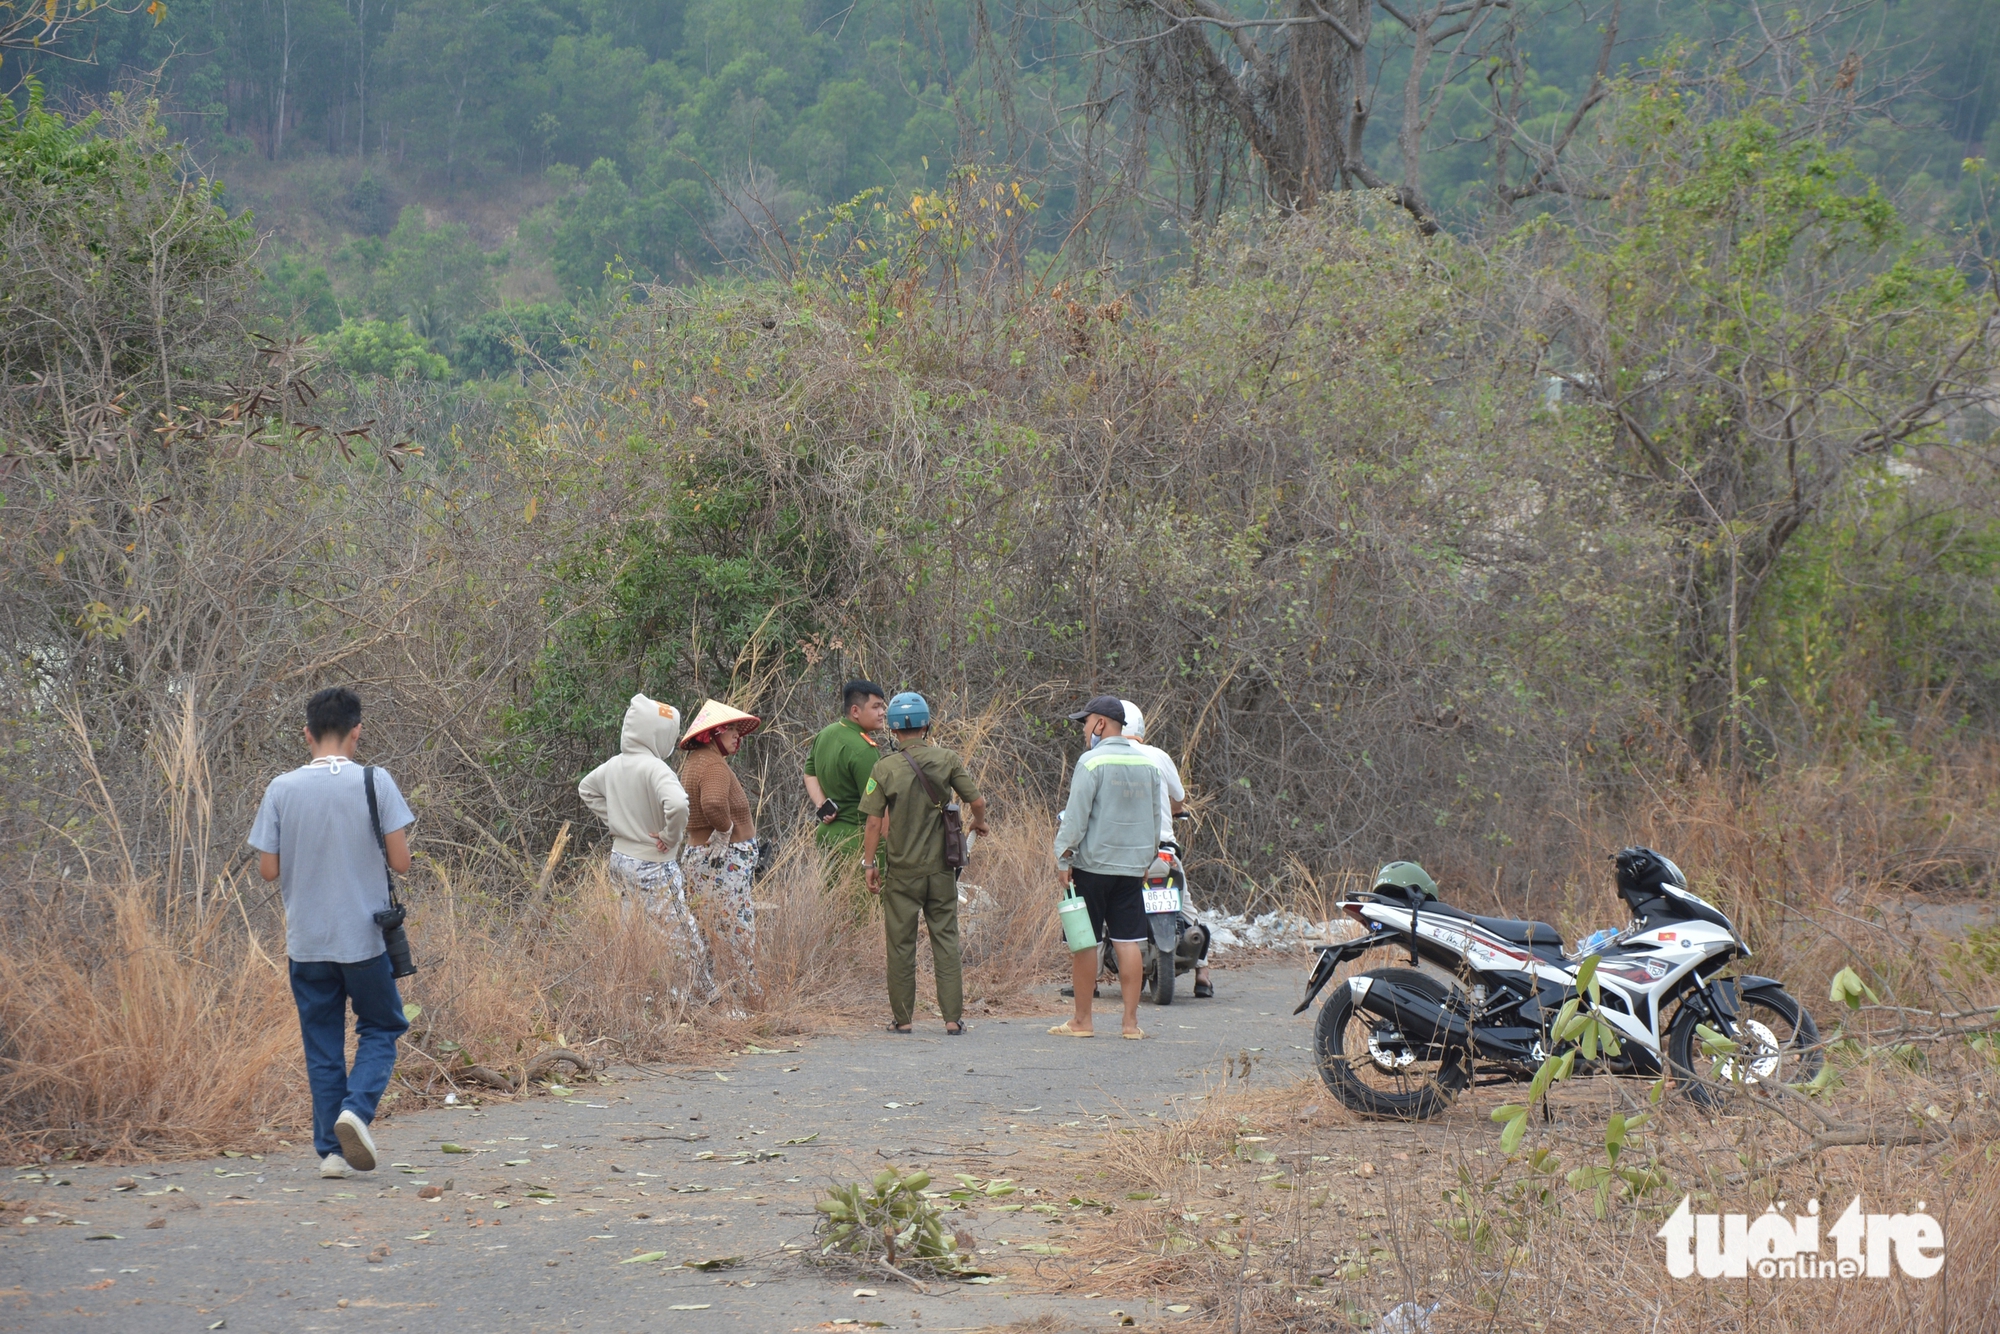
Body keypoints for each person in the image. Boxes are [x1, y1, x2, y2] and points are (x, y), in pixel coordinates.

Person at [249, 687, 414, 1180]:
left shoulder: (281, 788)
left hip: (307, 942)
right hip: (362, 940)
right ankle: (356, 1112)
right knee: (382, 1027)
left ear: (307, 734)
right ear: (357, 732)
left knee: (322, 1044)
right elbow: (401, 863)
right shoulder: (375, 781)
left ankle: (332, 1154)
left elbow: (268, 870)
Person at [858, 691, 990, 1035]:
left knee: (901, 946)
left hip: (902, 873)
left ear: (892, 730)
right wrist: (980, 822)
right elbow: (977, 800)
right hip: (941, 870)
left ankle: (903, 1020)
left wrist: (869, 864)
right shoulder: (946, 759)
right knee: (945, 939)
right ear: (927, 726)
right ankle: (951, 1019)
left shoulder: (883, 767)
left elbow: (873, 822)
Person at [1049, 694, 1171, 1040]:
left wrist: (1063, 856)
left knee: (1085, 942)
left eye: (1086, 722)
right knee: (1128, 940)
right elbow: (1155, 819)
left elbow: (1075, 817)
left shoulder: (1091, 763)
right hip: (1132, 869)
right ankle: (1130, 1025)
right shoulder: (1148, 765)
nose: (1085, 729)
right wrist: (1147, 859)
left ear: (1101, 724)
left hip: (1092, 866)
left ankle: (1082, 1021)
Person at [577, 693, 713, 1001]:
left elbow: (586, 788)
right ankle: (701, 998)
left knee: (632, 932)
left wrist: (617, 821)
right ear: (659, 734)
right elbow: (678, 804)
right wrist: (671, 836)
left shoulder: (614, 765)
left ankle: (637, 996)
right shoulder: (655, 768)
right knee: (682, 933)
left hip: (620, 859)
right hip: (653, 863)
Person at [1121, 699, 1213, 999]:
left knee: (1106, 905)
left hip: (1124, 852)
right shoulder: (1159, 756)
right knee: (1186, 906)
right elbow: (1178, 800)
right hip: (1163, 851)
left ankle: (1091, 980)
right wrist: (1172, 812)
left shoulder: (1102, 757)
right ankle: (1203, 973)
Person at [679, 698, 762, 991]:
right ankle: (742, 994)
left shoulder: (694, 762)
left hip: (703, 857)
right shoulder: (713, 765)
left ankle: (711, 991)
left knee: (708, 927)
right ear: (713, 733)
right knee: (733, 927)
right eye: (731, 730)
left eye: (738, 730)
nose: (737, 736)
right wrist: (726, 829)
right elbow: (713, 802)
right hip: (721, 860)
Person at [803, 680, 888, 901]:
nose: (882, 713)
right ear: (855, 711)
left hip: (827, 835)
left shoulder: (826, 734)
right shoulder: (863, 750)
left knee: (834, 906)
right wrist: (892, 848)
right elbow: (877, 812)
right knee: (865, 911)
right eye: (876, 706)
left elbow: (809, 773)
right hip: (857, 840)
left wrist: (822, 803)